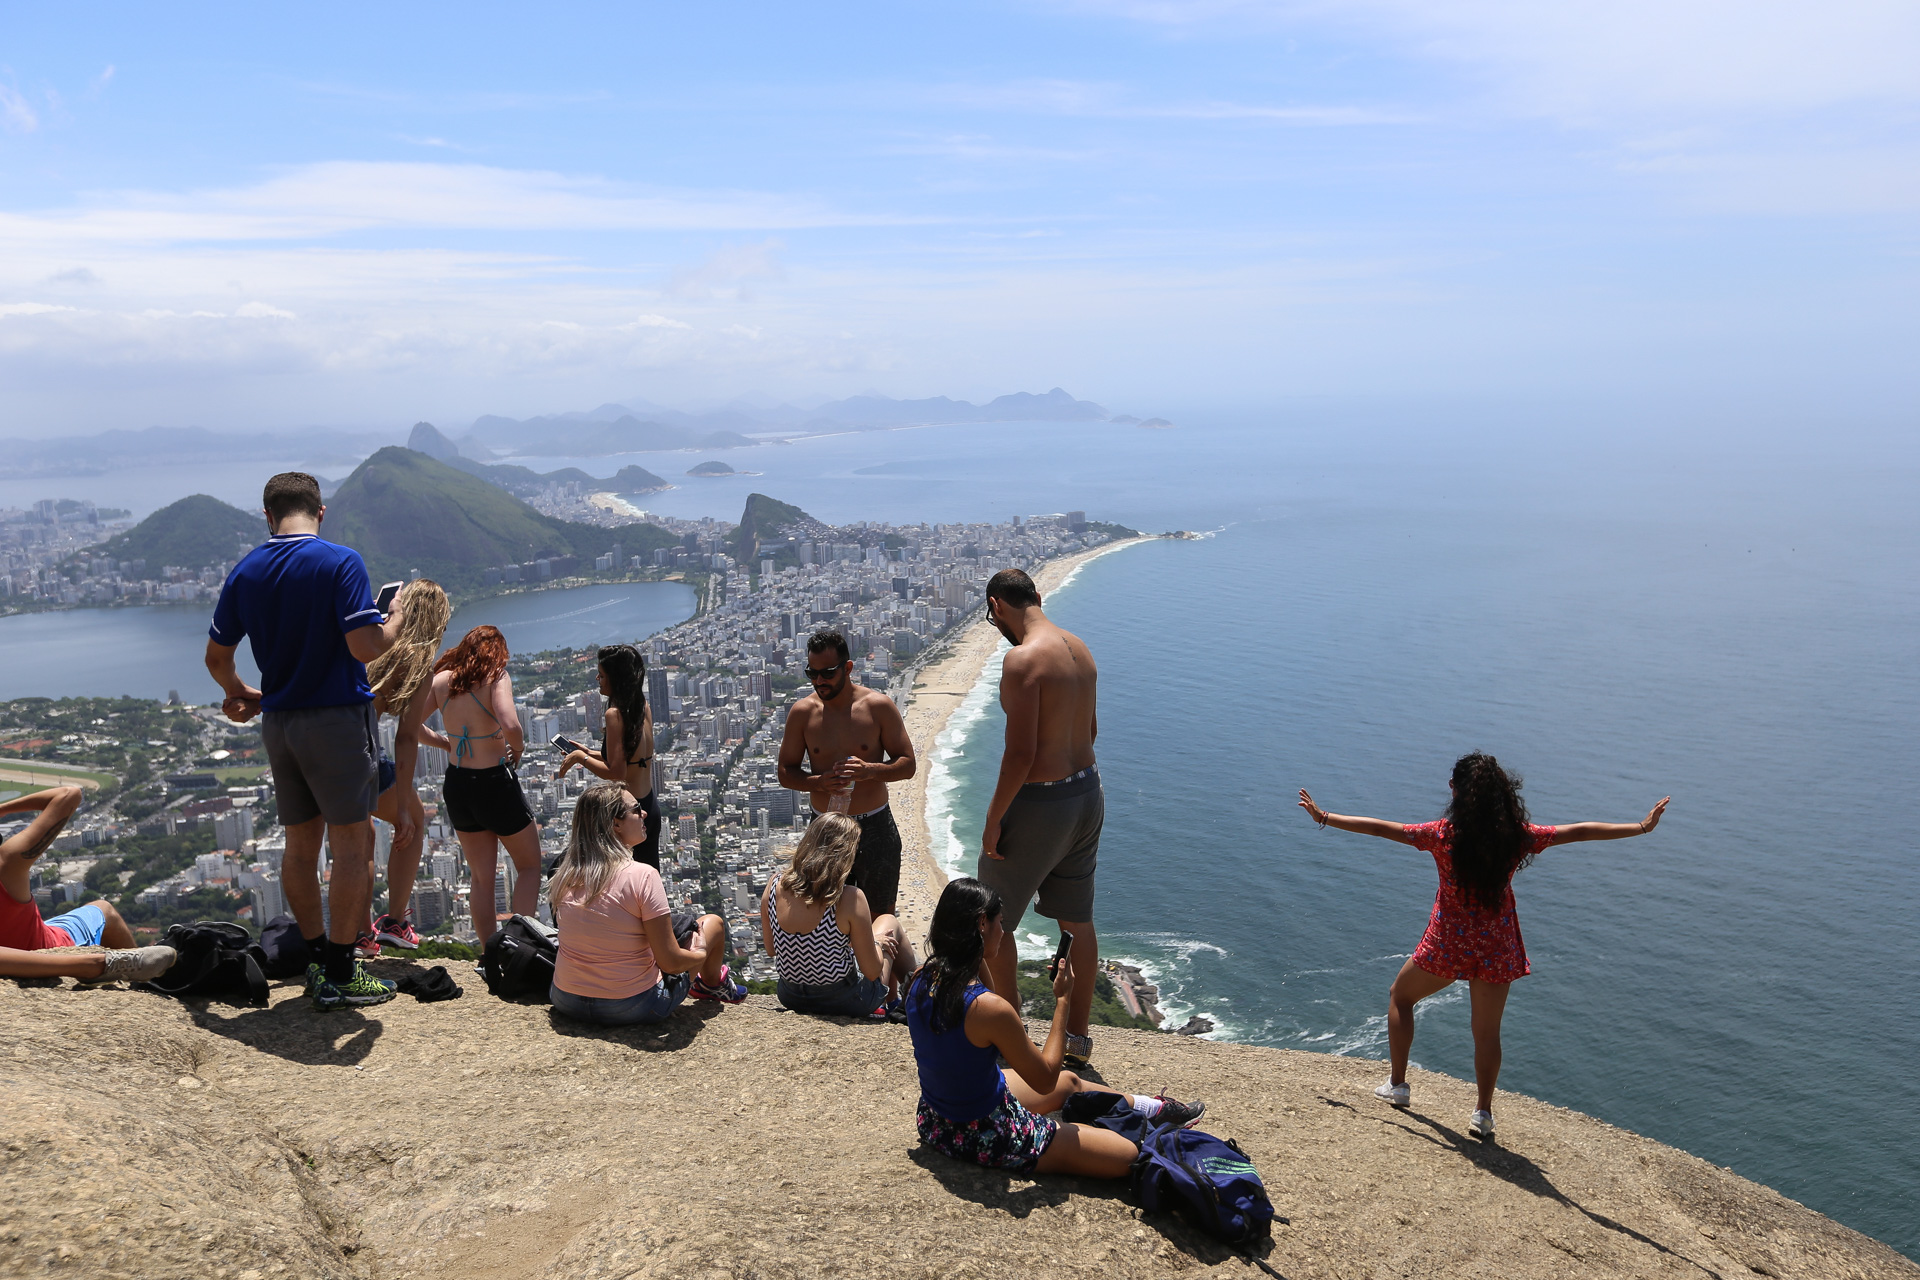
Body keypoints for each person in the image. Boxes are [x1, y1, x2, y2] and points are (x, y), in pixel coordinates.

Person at [1298, 752, 1670, 1141]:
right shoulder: (1517, 836)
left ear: (1455, 791)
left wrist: (1325, 817)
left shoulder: (1442, 834)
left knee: (1400, 997)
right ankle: (1483, 1113)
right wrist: (1642, 827)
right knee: (1487, 1032)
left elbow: (1381, 829)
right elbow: (1579, 831)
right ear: (1501, 795)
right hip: (1497, 946)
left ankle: (1398, 1085)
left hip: (1447, 945)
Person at [205, 471, 406, 1010]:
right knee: (353, 846)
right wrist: (395, 621)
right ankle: (341, 973)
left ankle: (320, 957)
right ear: (321, 511)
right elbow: (366, 645)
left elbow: (216, 659)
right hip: (337, 721)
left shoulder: (246, 570)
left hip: (281, 725)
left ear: (267, 517)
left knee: (300, 846)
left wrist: (246, 693)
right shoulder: (340, 561)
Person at [905, 878, 1203, 1176]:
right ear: (982, 924)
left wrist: (977, 951)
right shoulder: (988, 1009)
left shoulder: (921, 977)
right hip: (984, 1132)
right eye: (1000, 922)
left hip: (936, 1118)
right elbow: (1045, 1078)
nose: (1003, 931)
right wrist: (1063, 999)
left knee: (1071, 1083)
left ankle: (1153, 1109)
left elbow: (981, 1007)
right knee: (1128, 1155)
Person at [974, 567, 1103, 1068]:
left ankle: (1010, 1030)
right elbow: (1090, 731)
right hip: (1087, 794)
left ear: (996, 606)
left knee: (993, 920)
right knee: (1078, 923)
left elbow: (1020, 756)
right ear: (1038, 596)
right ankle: (1075, 1039)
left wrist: (993, 818)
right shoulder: (1079, 648)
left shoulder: (1022, 660)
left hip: (1041, 804)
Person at [546, 782, 746, 1024]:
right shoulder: (641, 875)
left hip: (566, 998)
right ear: (615, 823)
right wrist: (700, 953)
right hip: (632, 1005)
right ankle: (712, 985)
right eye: (635, 809)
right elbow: (670, 963)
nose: (644, 813)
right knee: (711, 925)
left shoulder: (564, 873)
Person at [776, 629, 916, 918]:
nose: (819, 681)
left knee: (881, 917)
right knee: (825, 918)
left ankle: (879, 965)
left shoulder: (877, 707)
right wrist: (819, 782)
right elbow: (785, 772)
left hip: (874, 826)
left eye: (827, 673)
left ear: (848, 668)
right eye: (811, 673)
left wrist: (870, 771)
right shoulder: (803, 713)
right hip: (825, 828)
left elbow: (908, 764)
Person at [428, 625, 541, 946]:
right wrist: (516, 748)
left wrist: (447, 744)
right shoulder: (496, 677)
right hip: (494, 783)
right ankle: (521, 948)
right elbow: (511, 724)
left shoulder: (441, 682)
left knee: (481, 878)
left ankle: (488, 954)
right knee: (530, 866)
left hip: (458, 784)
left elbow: (410, 723)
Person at [0, 786, 176, 983]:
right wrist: (2, 809)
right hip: (44, 946)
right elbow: (68, 794)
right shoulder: (7, 863)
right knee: (103, 909)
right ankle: (139, 981)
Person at [362, 578, 453, 954]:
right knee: (412, 823)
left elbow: (412, 729)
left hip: (320, 738)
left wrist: (442, 742)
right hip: (358, 750)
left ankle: (358, 930)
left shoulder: (375, 641)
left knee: (358, 834)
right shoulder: (418, 661)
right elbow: (403, 738)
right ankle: (393, 922)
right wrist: (400, 806)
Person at [760, 812, 917, 1017]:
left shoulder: (774, 884)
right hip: (846, 1001)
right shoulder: (849, 898)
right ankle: (917, 997)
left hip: (791, 995)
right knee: (888, 922)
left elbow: (772, 949)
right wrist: (877, 943)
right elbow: (871, 971)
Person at [555, 643, 661, 867]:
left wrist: (579, 758)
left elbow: (617, 772)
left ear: (616, 678)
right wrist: (586, 751)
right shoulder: (643, 707)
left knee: (562, 868)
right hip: (649, 807)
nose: (598, 679)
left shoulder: (615, 715)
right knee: (648, 878)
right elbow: (626, 759)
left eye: (602, 675)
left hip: (628, 813)